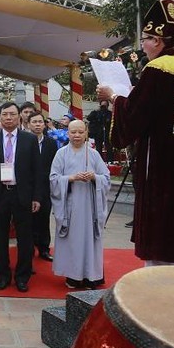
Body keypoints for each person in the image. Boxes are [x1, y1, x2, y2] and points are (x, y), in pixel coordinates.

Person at [97, 0, 174, 267]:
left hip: (160, 159)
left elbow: (136, 117)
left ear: (157, 39)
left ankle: (158, 274)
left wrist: (114, 98)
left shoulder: (156, 69)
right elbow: (165, 109)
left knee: (161, 222)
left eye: (144, 38)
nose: (142, 45)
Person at [0, 102, 42, 293]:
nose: (8, 118)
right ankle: (3, 275)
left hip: (22, 194)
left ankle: (22, 277)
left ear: (19, 117)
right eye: (5, 114)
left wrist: (36, 197)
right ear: (0, 117)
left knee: (25, 238)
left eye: (12, 114)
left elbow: (37, 172)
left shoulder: (29, 139)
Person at [50, 120, 110, 289]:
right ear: (67, 133)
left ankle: (92, 275)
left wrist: (94, 177)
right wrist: (71, 178)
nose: (76, 135)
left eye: (80, 132)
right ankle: (73, 275)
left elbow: (106, 178)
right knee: (72, 241)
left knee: (90, 240)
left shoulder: (94, 154)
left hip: (91, 207)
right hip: (70, 206)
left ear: (86, 133)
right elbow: (53, 179)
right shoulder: (61, 154)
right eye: (73, 132)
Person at [28, 111, 58, 262]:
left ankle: (44, 249)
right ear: (28, 124)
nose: (38, 125)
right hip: (28, 187)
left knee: (44, 218)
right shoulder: (24, 141)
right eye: (34, 122)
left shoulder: (51, 143)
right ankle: (29, 249)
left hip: (46, 186)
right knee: (28, 220)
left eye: (40, 122)